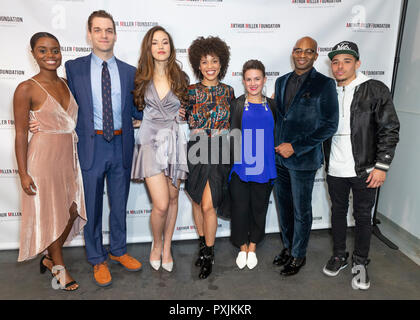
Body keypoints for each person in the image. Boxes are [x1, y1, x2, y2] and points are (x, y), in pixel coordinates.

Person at [30, 10, 143, 287]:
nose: (104, 35)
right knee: (90, 204)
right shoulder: (74, 67)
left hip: (121, 143)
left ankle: (118, 251)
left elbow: (138, 106)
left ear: (115, 34)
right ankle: (97, 258)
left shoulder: (130, 71)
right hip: (91, 145)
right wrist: (39, 121)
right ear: (89, 34)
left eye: (108, 30)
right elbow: (57, 98)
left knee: (119, 203)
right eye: (98, 30)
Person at [322, 41, 400, 290]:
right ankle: (339, 255)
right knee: (337, 211)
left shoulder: (374, 89)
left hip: (365, 168)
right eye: (335, 62)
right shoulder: (329, 91)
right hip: (335, 166)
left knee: (363, 216)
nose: (340, 66)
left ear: (357, 63)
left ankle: (360, 261)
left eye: (346, 61)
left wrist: (382, 166)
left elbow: (390, 129)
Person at [14, 32, 87, 291]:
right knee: (51, 212)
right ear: (33, 53)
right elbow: (21, 133)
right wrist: (23, 172)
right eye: (43, 50)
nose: (50, 55)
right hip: (42, 158)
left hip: (68, 156)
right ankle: (59, 267)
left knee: (70, 211)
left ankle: (48, 257)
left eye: (54, 50)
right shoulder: (26, 88)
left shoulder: (67, 83)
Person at [272, 36, 339, 276]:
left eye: (307, 51)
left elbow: (329, 125)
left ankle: (299, 255)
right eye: (298, 50)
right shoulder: (281, 82)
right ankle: (289, 247)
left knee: (302, 211)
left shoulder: (324, 84)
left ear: (315, 55)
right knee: (284, 208)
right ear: (292, 52)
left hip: (303, 159)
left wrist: (296, 147)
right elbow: (281, 118)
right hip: (278, 158)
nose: (302, 55)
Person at [131, 26, 189, 272]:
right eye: (155, 43)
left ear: (171, 47)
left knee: (174, 198)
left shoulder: (181, 77)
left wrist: (183, 114)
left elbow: (187, 108)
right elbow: (131, 106)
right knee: (162, 204)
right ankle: (156, 244)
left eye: (165, 42)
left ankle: (167, 248)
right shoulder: (139, 77)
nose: (161, 46)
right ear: (149, 47)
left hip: (174, 140)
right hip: (150, 140)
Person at [185, 36, 235, 279]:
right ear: (198, 65)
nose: (210, 66)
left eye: (214, 61)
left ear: (221, 63)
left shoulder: (229, 91)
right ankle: (203, 245)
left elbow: (236, 123)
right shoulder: (190, 92)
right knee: (196, 201)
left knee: (208, 204)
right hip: (195, 148)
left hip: (219, 149)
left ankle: (209, 254)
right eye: (204, 62)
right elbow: (176, 118)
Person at [229, 60, 277, 270]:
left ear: (264, 80)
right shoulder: (236, 104)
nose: (253, 83)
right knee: (240, 209)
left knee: (259, 209)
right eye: (249, 79)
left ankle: (253, 246)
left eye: (257, 78)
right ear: (243, 81)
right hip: (240, 168)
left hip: (265, 168)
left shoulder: (273, 105)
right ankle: (242, 246)